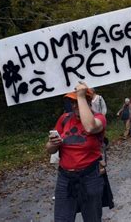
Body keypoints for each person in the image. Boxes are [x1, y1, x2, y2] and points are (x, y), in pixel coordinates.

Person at [46, 82, 107, 222]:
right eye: (72, 101)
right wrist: (52, 144)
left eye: (77, 101)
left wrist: (81, 96)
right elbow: (50, 150)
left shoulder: (99, 118)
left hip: (90, 177)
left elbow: (90, 128)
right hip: (65, 178)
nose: (74, 105)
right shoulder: (64, 119)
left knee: (92, 219)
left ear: (89, 101)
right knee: (62, 219)